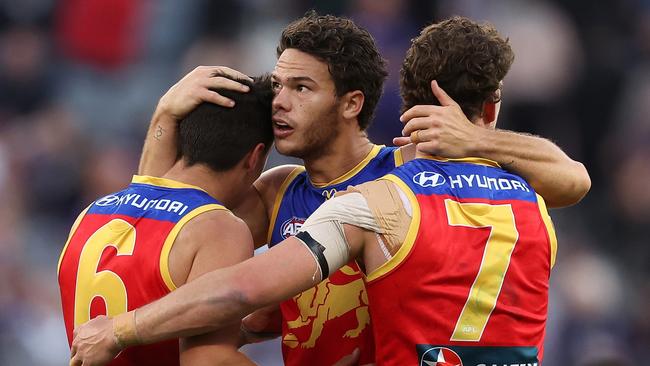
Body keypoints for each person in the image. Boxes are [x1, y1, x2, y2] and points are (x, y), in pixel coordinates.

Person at [76, 12, 590, 366]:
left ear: (351, 104)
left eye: (301, 89)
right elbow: (155, 223)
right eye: (277, 87)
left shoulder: (397, 177)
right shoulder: (275, 192)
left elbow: (572, 179)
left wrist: (476, 137)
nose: (279, 103)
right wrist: (166, 114)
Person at [58, 75, 273, 365]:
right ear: (255, 157)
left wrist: (165, 113)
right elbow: (209, 360)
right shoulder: (217, 228)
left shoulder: (91, 213)